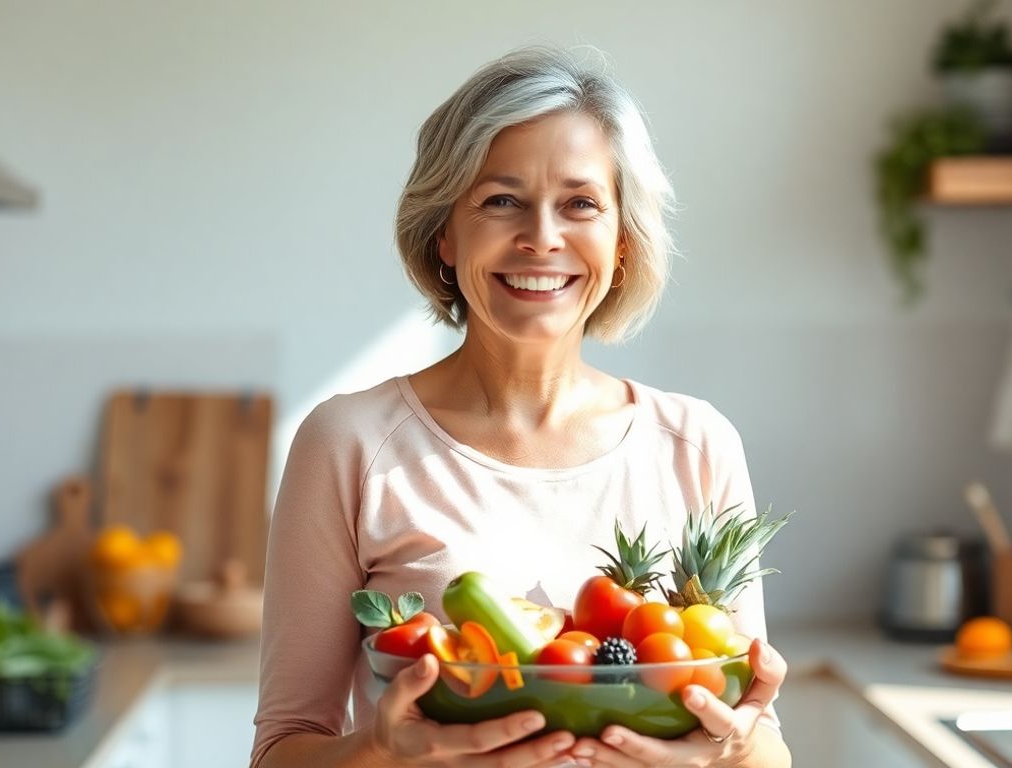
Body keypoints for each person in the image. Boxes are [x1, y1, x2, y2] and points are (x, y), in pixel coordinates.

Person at [252, 45, 791, 768]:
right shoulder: (347, 443)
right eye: (501, 200)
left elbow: (764, 746)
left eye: (581, 204)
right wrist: (385, 751)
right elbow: (282, 750)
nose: (542, 237)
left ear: (622, 242)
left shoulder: (696, 444)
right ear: (445, 232)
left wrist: (733, 751)